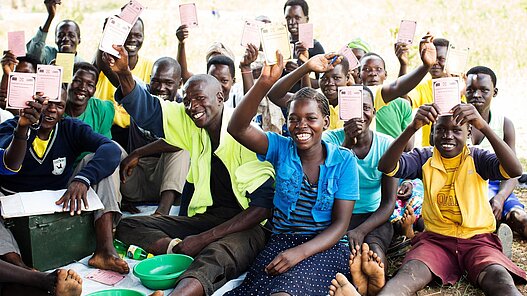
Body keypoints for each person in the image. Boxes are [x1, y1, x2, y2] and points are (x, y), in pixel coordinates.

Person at [105, 45, 275, 296]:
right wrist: (124, 73)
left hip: (250, 226)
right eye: (187, 100)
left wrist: (204, 239)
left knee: (216, 254)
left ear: (220, 97)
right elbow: (149, 110)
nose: (192, 106)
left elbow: (262, 208)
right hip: (208, 217)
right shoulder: (191, 123)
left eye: (199, 99)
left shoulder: (246, 134)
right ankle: (176, 252)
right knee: (131, 225)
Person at [346, 103, 525, 296]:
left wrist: (484, 126)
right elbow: (387, 166)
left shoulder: (478, 158)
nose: (448, 135)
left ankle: (497, 255)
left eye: (457, 130)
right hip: (436, 242)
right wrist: (412, 127)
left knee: (500, 281)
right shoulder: (424, 158)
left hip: (477, 240)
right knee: (406, 277)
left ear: (470, 133)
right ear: (431, 135)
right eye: (440, 130)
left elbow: (515, 170)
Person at [225, 51, 358, 295]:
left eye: (311, 118)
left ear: (326, 123)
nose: (301, 125)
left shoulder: (344, 161)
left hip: (324, 248)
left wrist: (300, 253)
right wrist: (264, 83)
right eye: (294, 119)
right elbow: (237, 128)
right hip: (282, 242)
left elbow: (340, 225)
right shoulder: (280, 148)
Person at [0, 92, 128, 274]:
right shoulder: (11, 127)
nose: (52, 109)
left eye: (59, 105)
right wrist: (23, 130)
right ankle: (19, 266)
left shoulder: (70, 127)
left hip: (58, 197)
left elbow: (110, 149)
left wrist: (82, 179)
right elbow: (9, 163)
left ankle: (104, 250)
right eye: (46, 103)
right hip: (13, 200)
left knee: (100, 165)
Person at [322, 85, 397, 295]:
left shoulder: (387, 145)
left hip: (374, 217)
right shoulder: (329, 140)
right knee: (345, 255)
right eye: (353, 108)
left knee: (373, 252)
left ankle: (373, 282)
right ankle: (358, 284)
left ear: (373, 112)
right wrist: (347, 144)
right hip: (337, 216)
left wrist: (362, 230)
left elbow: (389, 203)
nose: (359, 114)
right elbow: (326, 184)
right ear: (342, 110)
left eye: (365, 108)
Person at [120, 57, 190, 216]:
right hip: (133, 175)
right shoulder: (142, 97)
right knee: (110, 150)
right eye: (156, 81)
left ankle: (161, 213)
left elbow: (183, 140)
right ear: (149, 80)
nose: (161, 88)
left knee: (181, 148)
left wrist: (138, 153)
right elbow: (116, 75)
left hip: (165, 180)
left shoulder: (184, 107)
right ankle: (113, 207)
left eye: (168, 83)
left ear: (179, 84)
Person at [466, 66, 527, 239]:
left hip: (496, 186)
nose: (476, 95)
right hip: (466, 186)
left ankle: (502, 226)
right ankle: (495, 236)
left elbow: (513, 172)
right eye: (470, 90)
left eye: (484, 90)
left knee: (520, 218)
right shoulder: (454, 123)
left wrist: (500, 197)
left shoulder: (504, 124)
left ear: (495, 92)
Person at [95, 17, 154, 148]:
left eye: (138, 35)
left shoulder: (150, 66)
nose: (133, 39)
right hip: (106, 129)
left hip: (135, 133)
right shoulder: (107, 61)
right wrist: (107, 35)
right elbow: (99, 64)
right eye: (127, 34)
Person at [283, 0, 325, 91]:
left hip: (302, 101)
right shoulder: (280, 45)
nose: (292, 22)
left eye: (297, 17)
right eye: (288, 18)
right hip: (279, 101)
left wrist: (299, 72)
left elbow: (323, 82)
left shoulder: (315, 47)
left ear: (307, 19)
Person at [26, 0, 82, 65]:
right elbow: (33, 53)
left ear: (79, 40)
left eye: (71, 35)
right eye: (60, 35)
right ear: (55, 39)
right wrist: (50, 16)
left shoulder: (82, 65)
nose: (65, 39)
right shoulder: (49, 55)